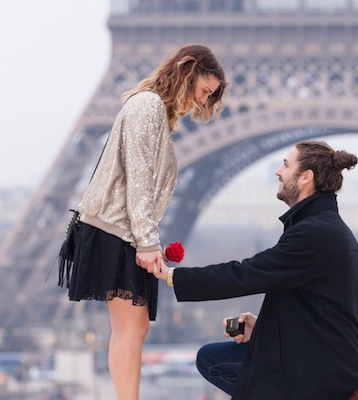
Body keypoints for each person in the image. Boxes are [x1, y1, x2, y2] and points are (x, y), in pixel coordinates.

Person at [58, 44, 227, 400]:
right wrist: (148, 242)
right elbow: (138, 177)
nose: (203, 100)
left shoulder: (153, 110)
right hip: (118, 230)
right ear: (188, 71)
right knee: (131, 329)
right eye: (204, 90)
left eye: (210, 96)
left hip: (122, 229)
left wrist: (146, 238)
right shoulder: (147, 105)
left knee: (131, 329)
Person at [149, 140, 358, 399]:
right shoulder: (331, 231)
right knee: (212, 358)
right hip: (321, 365)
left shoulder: (314, 234)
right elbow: (329, 314)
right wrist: (265, 329)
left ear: (305, 178)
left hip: (316, 374)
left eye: (286, 165)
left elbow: (245, 274)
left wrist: (172, 276)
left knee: (224, 366)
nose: (278, 171)